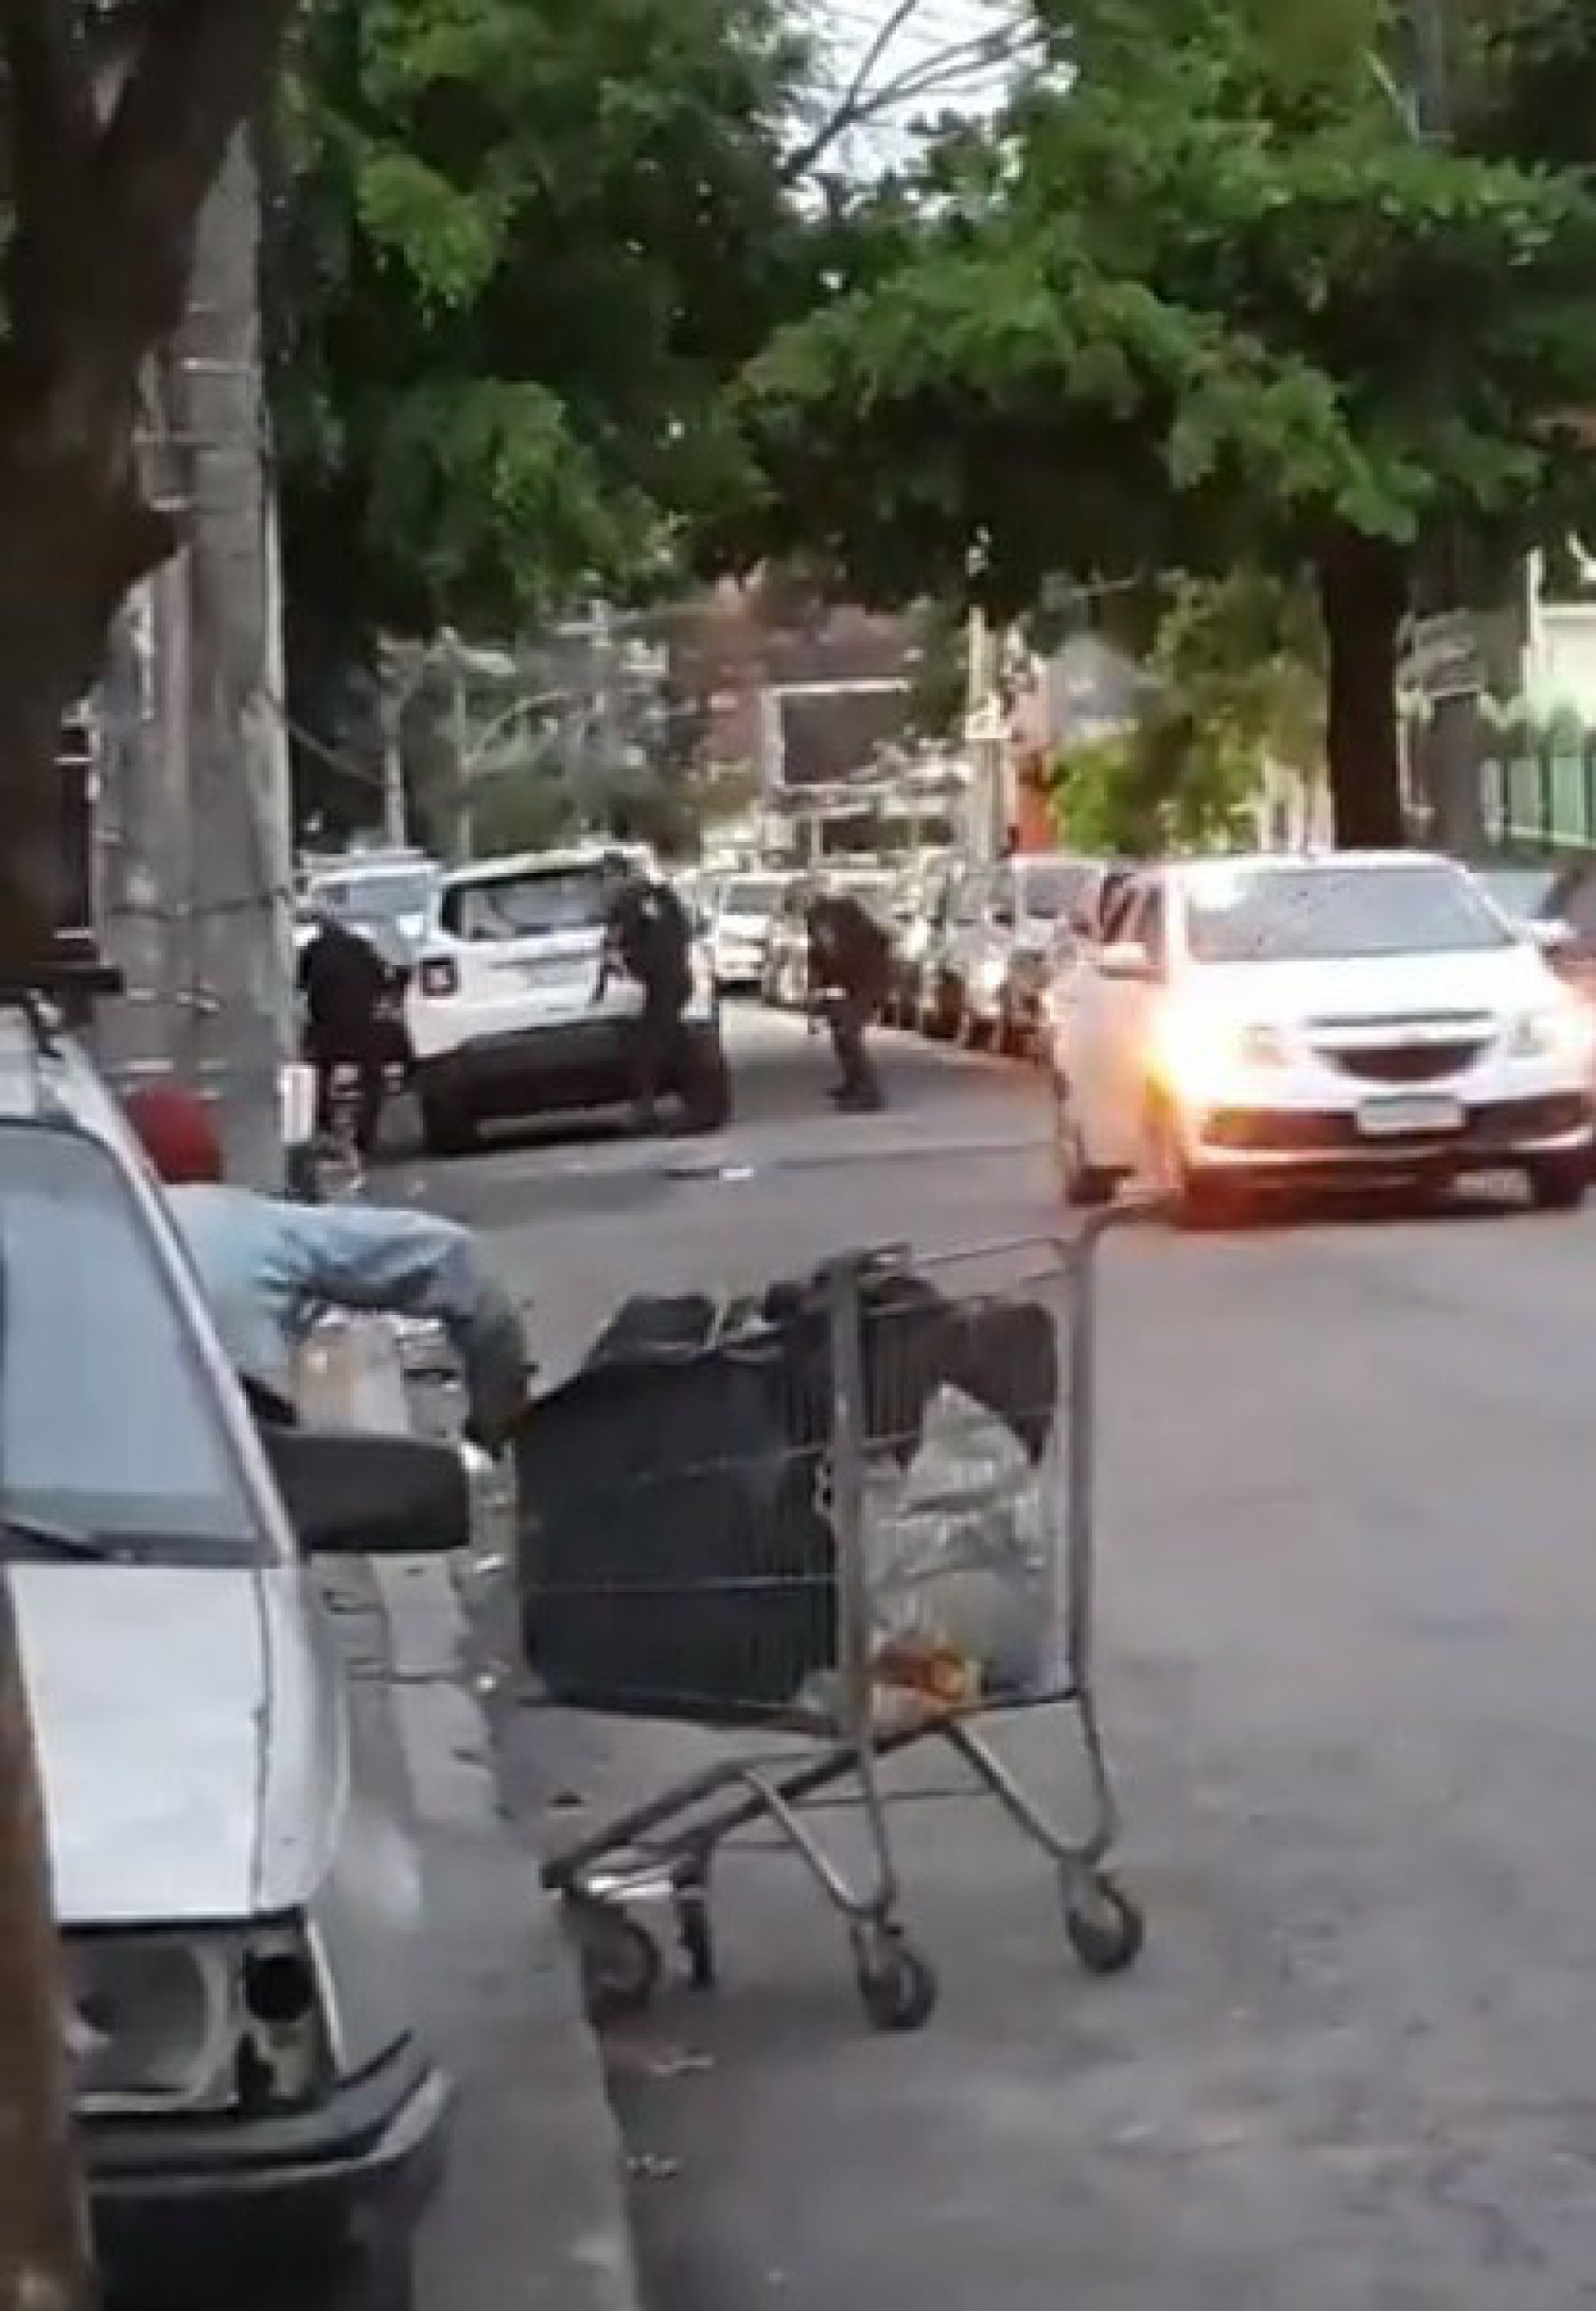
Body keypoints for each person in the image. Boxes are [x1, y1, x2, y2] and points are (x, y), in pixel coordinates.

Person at [124, 1084, 529, 1450]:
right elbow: (458, 1267)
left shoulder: (74, 1236)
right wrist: (491, 1431)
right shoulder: (249, 1226)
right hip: (248, 1483)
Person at [597, 850, 694, 1131]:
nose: (606, 885)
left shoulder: (642, 899)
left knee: (662, 1045)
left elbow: (663, 941)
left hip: (666, 981)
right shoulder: (637, 900)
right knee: (660, 1045)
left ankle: (662, 1110)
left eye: (608, 877)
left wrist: (627, 960)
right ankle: (651, 1108)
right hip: (660, 983)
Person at [297, 909, 392, 1157]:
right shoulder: (362, 948)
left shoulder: (314, 952)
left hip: (326, 1023)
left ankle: (324, 1125)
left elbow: (301, 986)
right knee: (373, 1078)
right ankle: (365, 1133)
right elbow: (383, 981)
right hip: (362, 1023)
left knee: (316, 1072)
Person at [805, 888, 890, 1113]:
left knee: (849, 1034)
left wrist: (832, 986)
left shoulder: (833, 915)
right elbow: (820, 955)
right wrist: (822, 989)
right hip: (851, 981)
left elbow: (833, 952)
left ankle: (869, 1092)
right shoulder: (819, 916)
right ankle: (854, 1083)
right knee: (841, 1034)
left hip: (865, 981)